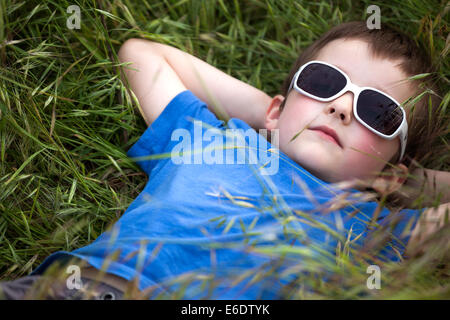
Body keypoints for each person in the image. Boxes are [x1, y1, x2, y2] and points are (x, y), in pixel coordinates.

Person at [1, 21, 449, 300]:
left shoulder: (377, 231)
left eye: (379, 113)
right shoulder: (213, 140)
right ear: (277, 107)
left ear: (395, 165)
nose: (341, 107)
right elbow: (142, 56)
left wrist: (403, 183)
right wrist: (269, 117)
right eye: (323, 82)